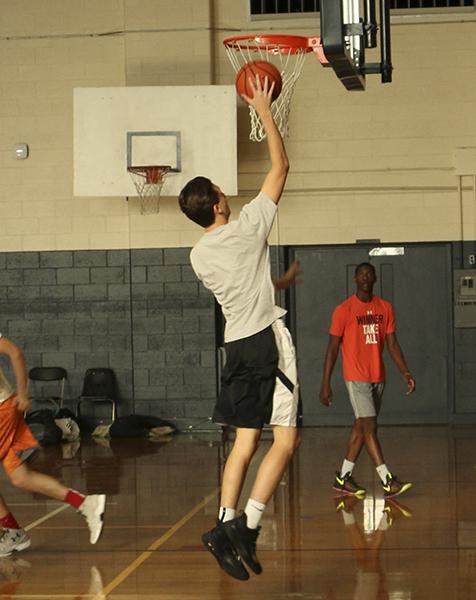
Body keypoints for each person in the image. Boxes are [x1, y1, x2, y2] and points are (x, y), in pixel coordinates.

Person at [179, 75, 300, 580]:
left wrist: (276, 281)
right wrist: (263, 108)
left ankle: (224, 521)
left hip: (236, 347)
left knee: (245, 441)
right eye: (220, 190)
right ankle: (247, 525)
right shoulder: (249, 226)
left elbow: (241, 282)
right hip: (266, 344)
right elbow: (281, 166)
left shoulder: (198, 254)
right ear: (219, 202)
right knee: (286, 440)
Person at [0, 334, 106, 556]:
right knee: (20, 477)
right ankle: (86, 504)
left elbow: (15, 353)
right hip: (6, 409)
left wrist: (22, 393)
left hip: (2, 410)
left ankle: (10, 532)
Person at [319, 262, 416, 499]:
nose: (365, 277)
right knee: (370, 425)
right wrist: (326, 382)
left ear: (374, 278)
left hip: (377, 376)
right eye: (361, 274)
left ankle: (343, 477)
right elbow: (332, 349)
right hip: (356, 376)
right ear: (355, 279)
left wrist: (406, 372)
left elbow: (392, 344)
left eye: (369, 274)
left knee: (362, 428)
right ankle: (387, 480)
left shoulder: (385, 308)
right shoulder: (344, 310)